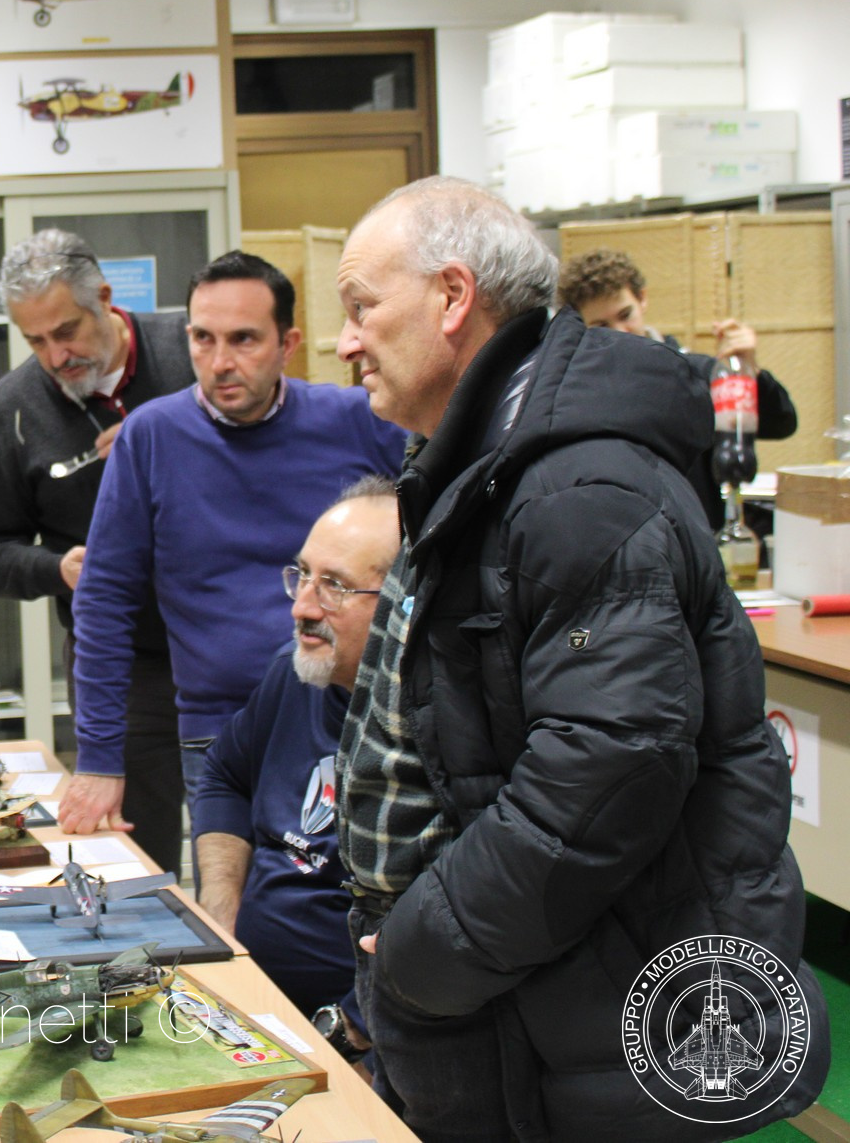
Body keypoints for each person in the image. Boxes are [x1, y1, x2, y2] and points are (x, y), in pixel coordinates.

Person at [334, 176, 829, 1139]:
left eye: (362, 306)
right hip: (508, 981)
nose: (347, 340)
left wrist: (425, 948)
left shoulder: (577, 488)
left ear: (452, 296)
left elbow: (608, 770)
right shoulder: (490, 459)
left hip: (559, 991)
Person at [62, 252, 407, 842]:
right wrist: (98, 758)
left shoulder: (359, 420)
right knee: (229, 895)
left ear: (287, 344)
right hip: (218, 732)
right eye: (203, 338)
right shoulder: (151, 436)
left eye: (244, 339)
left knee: (347, 892)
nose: (220, 362)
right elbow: (103, 602)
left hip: (349, 720)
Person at [0, 229, 196, 872]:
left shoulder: (191, 351)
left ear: (105, 300)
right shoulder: (8, 411)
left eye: (66, 331)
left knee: (250, 831)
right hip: (121, 662)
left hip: (226, 640)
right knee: (138, 853)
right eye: (35, 340)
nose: (55, 356)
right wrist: (56, 569)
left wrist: (168, 437)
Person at [189, 475, 398, 1068]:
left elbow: (448, 917)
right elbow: (225, 776)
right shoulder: (296, 673)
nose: (302, 607)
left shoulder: (434, 729)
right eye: (302, 575)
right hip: (248, 1004)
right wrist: (222, 918)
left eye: (334, 586)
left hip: (363, 1041)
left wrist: (350, 1031)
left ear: (403, 603)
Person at [556, 246, 797, 527]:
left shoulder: (696, 374)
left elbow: (780, 422)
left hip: (699, 537)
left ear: (642, 298)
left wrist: (748, 371)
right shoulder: (580, 396)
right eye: (602, 325)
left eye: (625, 315)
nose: (621, 332)